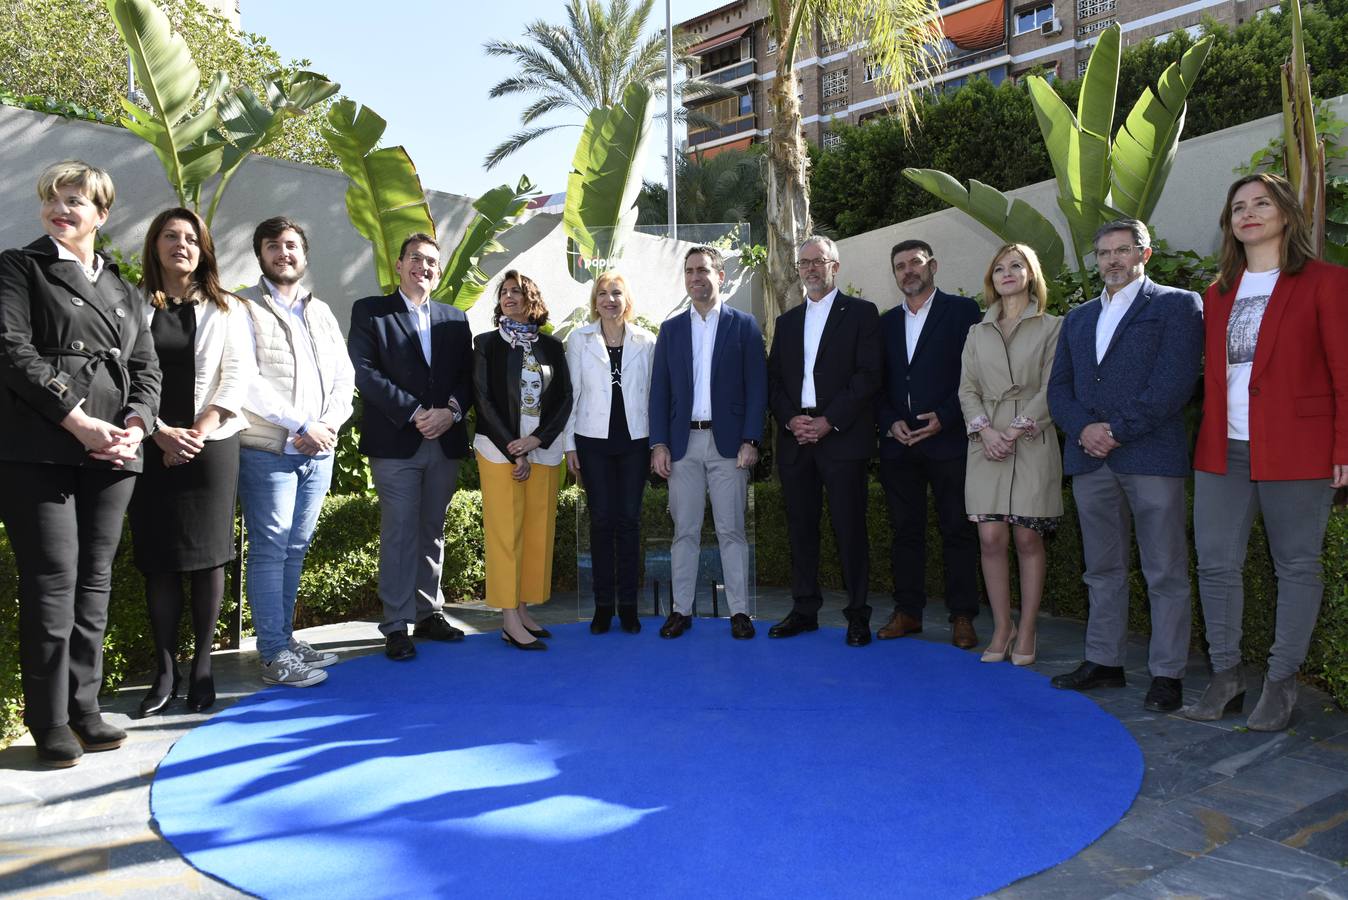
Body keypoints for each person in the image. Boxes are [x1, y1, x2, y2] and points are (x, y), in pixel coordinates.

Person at [0, 160, 161, 766]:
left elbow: (147, 368)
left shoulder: (122, 287)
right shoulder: (18, 266)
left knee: (95, 583)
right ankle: (49, 720)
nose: (61, 210)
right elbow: (11, 350)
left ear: (102, 214)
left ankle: (84, 706)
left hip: (113, 454)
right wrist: (79, 421)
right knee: (51, 583)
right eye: (53, 200)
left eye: (75, 201)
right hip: (40, 447)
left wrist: (137, 427)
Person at [1184, 173, 1348, 732]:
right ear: (1229, 224)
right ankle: (1226, 675)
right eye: (1238, 207)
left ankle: (1281, 684)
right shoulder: (1218, 293)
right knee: (1214, 564)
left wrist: (1343, 445)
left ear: (1286, 214)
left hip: (1298, 448)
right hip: (1222, 449)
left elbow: (1345, 372)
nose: (1249, 213)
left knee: (1297, 567)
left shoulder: (1325, 282)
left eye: (1261, 203)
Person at [1047, 218, 1203, 713]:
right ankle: (1104, 662)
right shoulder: (1076, 318)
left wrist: (1115, 430)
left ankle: (1167, 673)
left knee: (1165, 570)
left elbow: (1174, 383)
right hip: (1090, 462)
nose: (1113, 260)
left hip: (1150, 456)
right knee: (1102, 569)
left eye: (1123, 250)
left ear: (1144, 254)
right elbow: (1059, 390)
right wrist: (1084, 430)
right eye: (1104, 252)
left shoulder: (1178, 305)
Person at [130, 207, 253, 716]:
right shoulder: (131, 304)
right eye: (170, 236)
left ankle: (202, 667)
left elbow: (238, 374)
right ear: (154, 245)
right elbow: (119, 374)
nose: (180, 244)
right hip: (150, 443)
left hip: (212, 444)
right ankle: (164, 671)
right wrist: (159, 432)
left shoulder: (227, 308)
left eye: (191, 238)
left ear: (204, 250)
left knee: (208, 559)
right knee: (158, 560)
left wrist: (198, 433)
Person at [236, 217, 354, 687]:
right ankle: (271, 655)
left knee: (296, 548)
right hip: (269, 449)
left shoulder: (320, 310)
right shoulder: (241, 305)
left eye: (291, 246)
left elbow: (345, 377)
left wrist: (325, 426)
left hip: (318, 449)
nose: (283, 253)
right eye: (273, 246)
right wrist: (300, 424)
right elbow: (244, 379)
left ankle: (284, 640)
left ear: (304, 255)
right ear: (260, 254)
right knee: (270, 549)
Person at [347, 233, 474, 662]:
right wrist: (415, 411)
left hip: (444, 440)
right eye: (416, 259)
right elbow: (363, 372)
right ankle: (397, 624)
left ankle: (428, 612)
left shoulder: (455, 318)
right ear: (399, 265)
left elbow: (467, 377)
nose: (424, 266)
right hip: (397, 440)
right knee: (400, 531)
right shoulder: (371, 312)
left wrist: (452, 411)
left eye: (432, 262)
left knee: (432, 530)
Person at [766, 235, 881, 646]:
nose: (811, 269)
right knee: (800, 529)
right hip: (797, 439)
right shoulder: (787, 321)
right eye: (804, 263)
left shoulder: (862, 314)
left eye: (819, 261)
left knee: (850, 529)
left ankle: (857, 615)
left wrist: (829, 421)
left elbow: (868, 376)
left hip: (841, 438)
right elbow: (774, 378)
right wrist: (792, 419)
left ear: (835, 266)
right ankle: (804, 610)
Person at [648, 247, 767, 640]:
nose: (695, 277)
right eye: (689, 272)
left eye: (702, 270)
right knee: (685, 531)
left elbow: (757, 389)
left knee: (732, 531)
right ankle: (680, 611)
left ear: (720, 274)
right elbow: (659, 392)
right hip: (683, 446)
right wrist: (659, 444)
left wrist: (752, 439)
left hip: (730, 446)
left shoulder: (744, 325)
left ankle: (739, 612)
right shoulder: (672, 329)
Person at [959, 243, 1062, 665]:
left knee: (1027, 535)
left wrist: (1016, 430)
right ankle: (1002, 626)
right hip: (985, 439)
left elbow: (1054, 387)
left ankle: (1029, 627)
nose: (1007, 272)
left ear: (1031, 273)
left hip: (1033, 437)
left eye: (1016, 265)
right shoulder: (976, 331)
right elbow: (967, 388)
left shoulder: (1054, 326)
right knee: (990, 536)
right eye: (999, 267)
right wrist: (986, 431)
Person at [876, 240, 983, 648]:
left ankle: (962, 616)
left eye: (915, 263)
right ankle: (908, 612)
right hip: (900, 445)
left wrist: (946, 416)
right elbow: (878, 383)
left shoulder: (963, 313)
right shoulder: (885, 323)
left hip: (948, 441)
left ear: (932, 265)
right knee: (905, 531)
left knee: (956, 529)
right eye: (899, 266)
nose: (908, 271)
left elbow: (973, 376)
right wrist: (889, 423)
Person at [473, 270, 572, 649]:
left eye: (517, 291)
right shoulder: (486, 344)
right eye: (504, 292)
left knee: (536, 533)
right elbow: (482, 399)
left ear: (533, 300)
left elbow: (564, 398)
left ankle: (524, 608)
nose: (509, 297)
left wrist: (536, 440)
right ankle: (508, 618)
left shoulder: (552, 347)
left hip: (543, 450)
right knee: (505, 535)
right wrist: (513, 447)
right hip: (499, 452)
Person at [563, 270, 656, 635]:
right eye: (602, 293)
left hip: (636, 442)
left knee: (629, 521)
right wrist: (570, 445)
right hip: (592, 441)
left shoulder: (647, 341)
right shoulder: (579, 340)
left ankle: (629, 606)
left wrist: (657, 443)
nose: (609, 299)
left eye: (616, 293)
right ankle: (604, 606)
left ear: (626, 299)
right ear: (595, 301)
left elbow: (654, 395)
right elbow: (571, 395)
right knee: (601, 522)